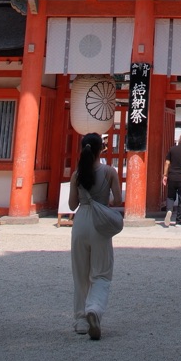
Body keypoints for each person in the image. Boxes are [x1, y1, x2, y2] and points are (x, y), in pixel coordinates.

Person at [68, 132, 123, 341]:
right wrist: (105, 197)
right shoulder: (110, 172)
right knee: (101, 273)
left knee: (80, 274)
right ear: (102, 149)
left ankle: (80, 319)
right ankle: (94, 308)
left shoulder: (77, 174)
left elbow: (73, 205)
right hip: (100, 223)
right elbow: (117, 199)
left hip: (81, 220)